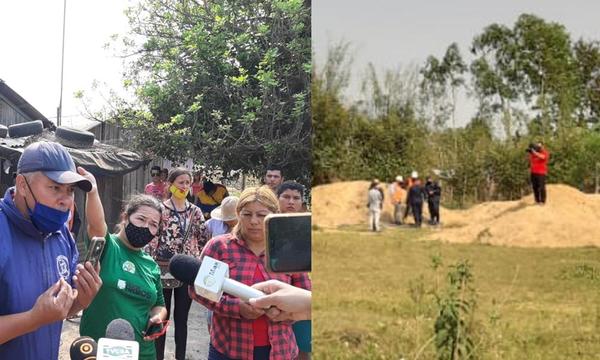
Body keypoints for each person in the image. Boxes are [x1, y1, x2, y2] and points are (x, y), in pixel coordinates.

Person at [0, 141, 102, 359]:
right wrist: (32, 319)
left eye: (70, 190)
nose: (65, 200)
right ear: (22, 184)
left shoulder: (62, 235)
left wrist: (80, 300)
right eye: (55, 187)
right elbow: (40, 317)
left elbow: (56, 312)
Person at [190, 186, 311, 360]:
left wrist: (285, 311)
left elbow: (305, 294)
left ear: (274, 215)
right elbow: (197, 290)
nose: (254, 221)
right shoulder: (219, 247)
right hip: (229, 349)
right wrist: (236, 308)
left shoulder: (289, 250)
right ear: (238, 214)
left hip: (280, 350)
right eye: (247, 214)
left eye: (261, 215)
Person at [79, 194, 168, 360]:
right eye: (141, 219)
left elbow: (160, 305)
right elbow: (96, 225)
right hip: (98, 351)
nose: (146, 227)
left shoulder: (151, 266)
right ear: (125, 217)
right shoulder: (108, 247)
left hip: (143, 352)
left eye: (153, 224)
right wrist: (92, 191)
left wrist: (157, 317)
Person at [146, 168, 207, 360]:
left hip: (186, 270)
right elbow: (152, 239)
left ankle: (180, 356)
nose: (184, 186)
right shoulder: (160, 210)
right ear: (170, 184)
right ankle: (158, 356)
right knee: (161, 316)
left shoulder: (195, 211)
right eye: (180, 182)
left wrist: (199, 260)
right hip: (162, 269)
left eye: (188, 183)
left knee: (182, 318)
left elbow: (204, 237)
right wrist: (149, 265)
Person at [276, 181, 311, 360]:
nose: (291, 202)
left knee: (304, 349)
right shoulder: (267, 227)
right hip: (277, 298)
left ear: (302, 202)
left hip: (304, 295)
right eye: (286, 197)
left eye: (296, 198)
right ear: (277, 199)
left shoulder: (307, 228)